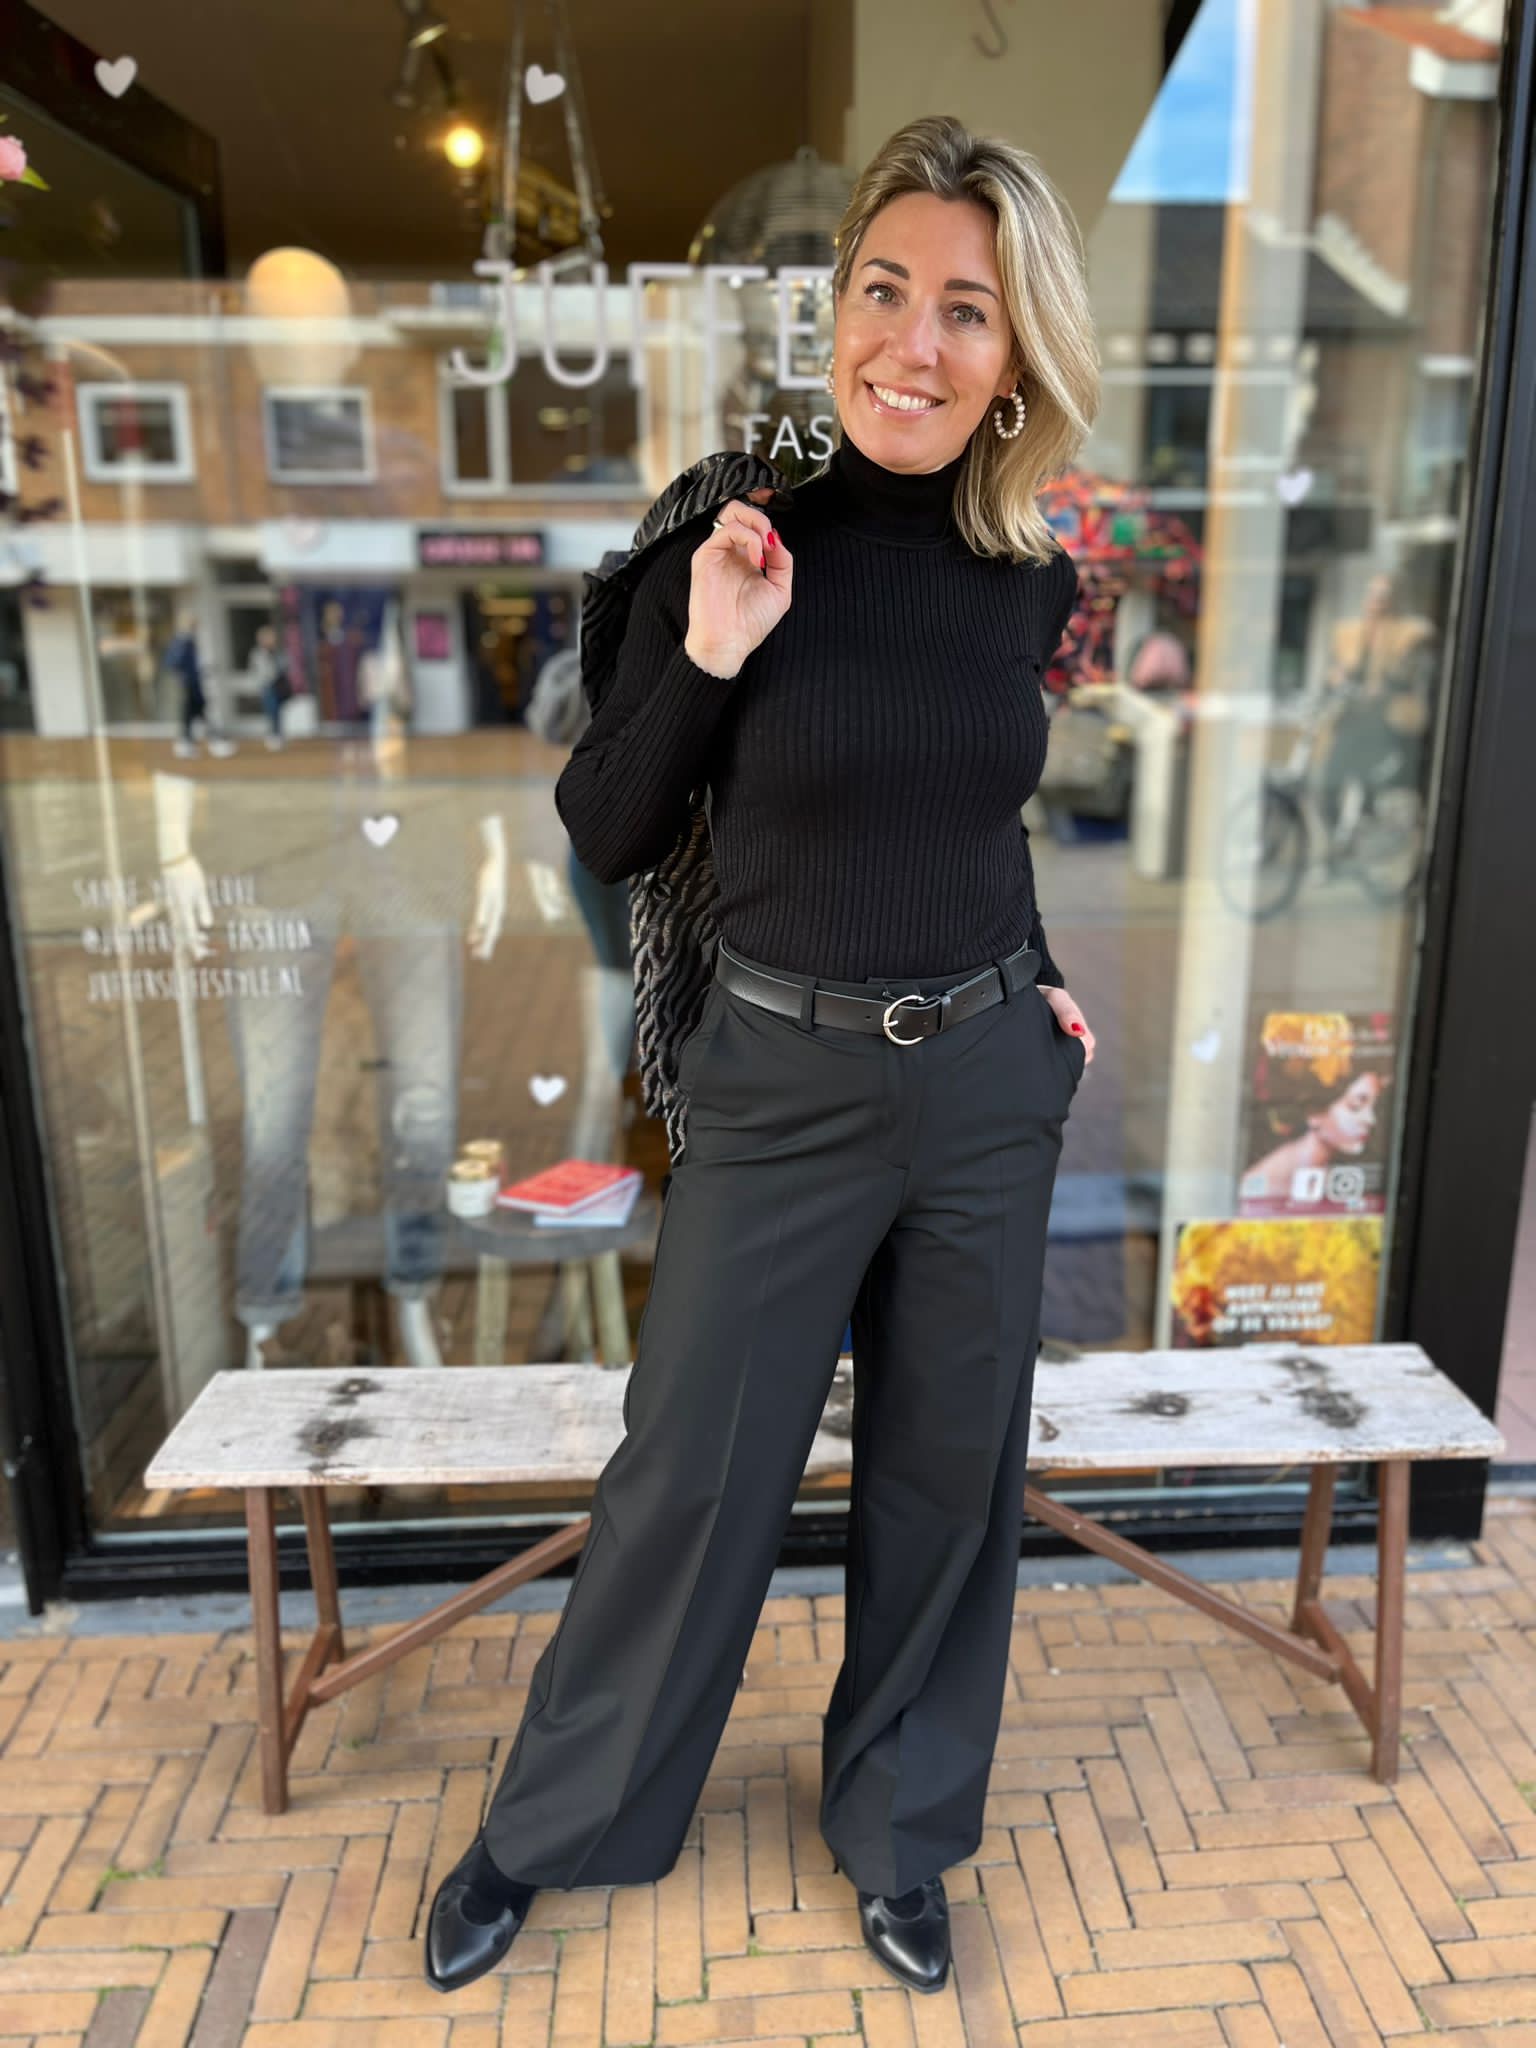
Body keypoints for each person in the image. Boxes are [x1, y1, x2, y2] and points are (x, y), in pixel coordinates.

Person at [425, 112, 1101, 2001]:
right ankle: (552, 1823)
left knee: (948, 1480)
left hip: (983, 1082)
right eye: (883, 290)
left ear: (1014, 355)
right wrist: (715, 650)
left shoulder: (1028, 575)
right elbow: (609, 825)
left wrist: (1042, 983)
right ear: (836, 314)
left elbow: (968, 814)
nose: (912, 341)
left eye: (963, 308)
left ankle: (901, 1829)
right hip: (781, 1087)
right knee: (690, 1481)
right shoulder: (730, 538)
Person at [1316, 570, 1437, 859]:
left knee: (1371, 788)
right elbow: (1335, 672)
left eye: (1383, 595)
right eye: (1373, 594)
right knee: (1326, 786)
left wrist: (1382, 688)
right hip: (1350, 720)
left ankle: (1367, 843)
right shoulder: (1349, 634)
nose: (1377, 601)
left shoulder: (1407, 635)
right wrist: (1337, 680)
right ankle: (1340, 843)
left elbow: (1407, 672)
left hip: (1385, 723)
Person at [248, 622, 291, 750]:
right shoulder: (258, 653)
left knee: (278, 712)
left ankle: (278, 735)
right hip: (267, 686)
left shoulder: (277, 652)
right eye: (269, 637)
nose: (272, 639)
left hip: (278, 686)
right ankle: (273, 736)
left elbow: (285, 666)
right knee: (272, 711)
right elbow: (259, 671)